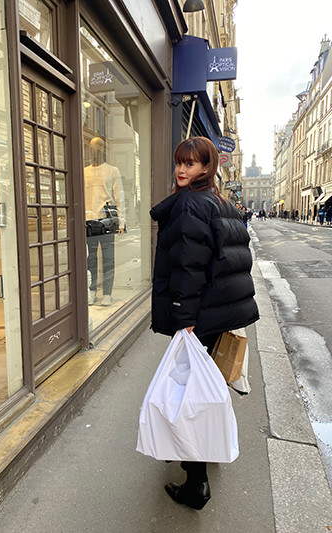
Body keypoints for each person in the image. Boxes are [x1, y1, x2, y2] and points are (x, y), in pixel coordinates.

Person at [150, 136, 259, 511]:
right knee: (203, 388)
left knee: (188, 395)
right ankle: (203, 453)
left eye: (191, 163)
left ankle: (196, 483)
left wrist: (184, 319)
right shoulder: (219, 201)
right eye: (179, 162)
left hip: (199, 317)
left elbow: (190, 267)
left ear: (207, 167)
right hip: (220, 312)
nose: (181, 169)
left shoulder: (191, 205)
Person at [84, 137, 125, 306]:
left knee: (108, 259)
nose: (95, 150)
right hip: (88, 220)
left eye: (99, 146)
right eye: (93, 147)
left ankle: (107, 292)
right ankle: (92, 290)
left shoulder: (112, 171)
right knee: (90, 259)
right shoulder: (84, 172)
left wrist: (121, 221)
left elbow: (119, 197)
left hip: (106, 220)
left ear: (103, 149)